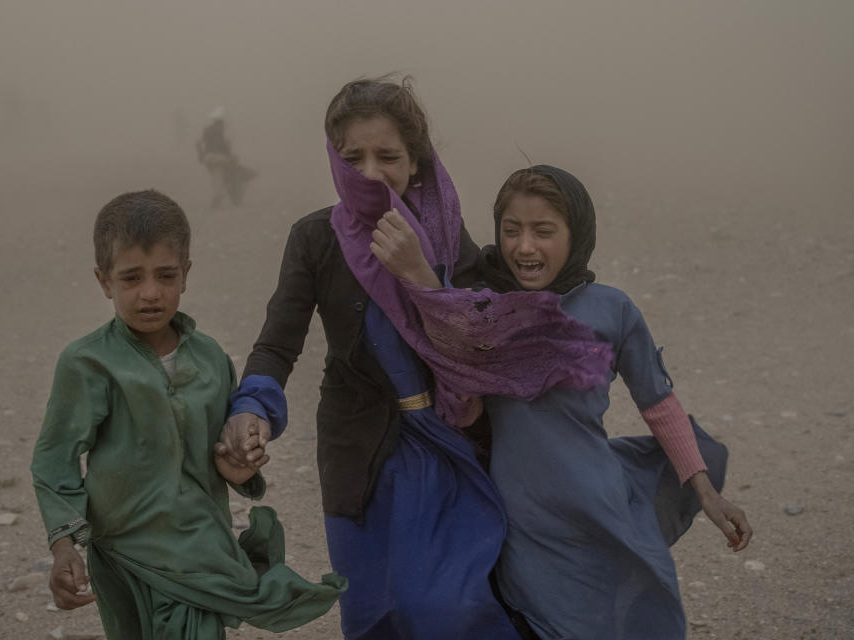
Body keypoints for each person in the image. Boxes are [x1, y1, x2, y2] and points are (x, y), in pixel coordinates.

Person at [216, 77, 614, 639]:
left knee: (451, 606)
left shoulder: (449, 239)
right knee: (374, 612)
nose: (371, 172)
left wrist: (421, 276)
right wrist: (252, 406)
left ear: (418, 162)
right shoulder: (315, 239)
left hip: (448, 444)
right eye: (354, 157)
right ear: (335, 159)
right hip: (358, 453)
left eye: (389, 156)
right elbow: (278, 343)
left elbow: (484, 344)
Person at [373, 165, 754, 640]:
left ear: (576, 234)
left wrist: (706, 494)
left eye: (543, 231)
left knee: (635, 613)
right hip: (523, 519)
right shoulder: (486, 310)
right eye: (511, 231)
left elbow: (658, 404)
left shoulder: (612, 310)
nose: (524, 247)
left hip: (599, 506)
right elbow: (465, 409)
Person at [29, 189, 345, 640]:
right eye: (131, 278)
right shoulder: (88, 364)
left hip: (199, 549)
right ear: (104, 281)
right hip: (122, 554)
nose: (151, 293)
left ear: (186, 274)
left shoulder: (212, 360)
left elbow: (224, 454)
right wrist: (64, 546)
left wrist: (238, 466)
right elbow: (55, 460)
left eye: (165, 275)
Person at [196, 108, 257, 208]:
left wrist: (201, 156)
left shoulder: (207, 130)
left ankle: (222, 194)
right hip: (219, 158)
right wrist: (232, 158)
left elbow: (198, 143)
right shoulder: (222, 131)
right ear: (220, 122)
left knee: (218, 175)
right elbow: (227, 147)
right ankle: (225, 195)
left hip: (209, 158)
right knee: (221, 174)